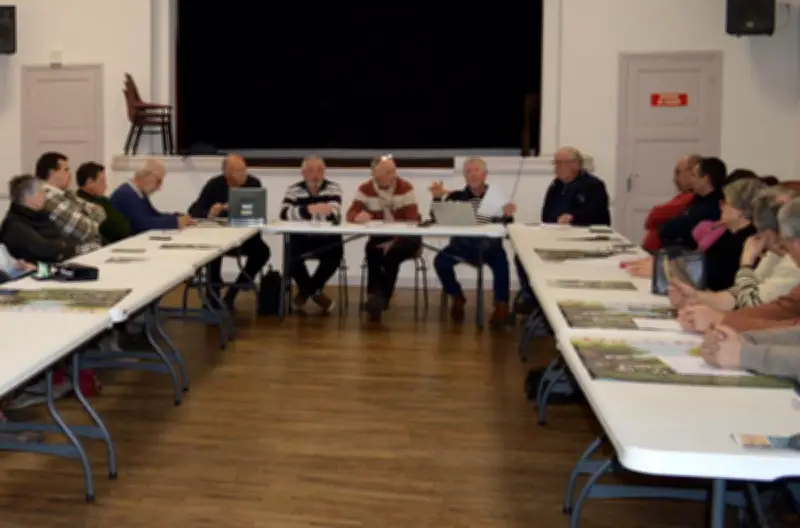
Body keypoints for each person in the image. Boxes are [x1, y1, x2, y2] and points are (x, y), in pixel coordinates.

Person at [679, 196, 800, 333]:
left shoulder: (791, 264)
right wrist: (699, 298)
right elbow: (768, 306)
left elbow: (752, 303)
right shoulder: (775, 255)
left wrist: (745, 264)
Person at [515, 146, 610, 313]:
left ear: (576, 165)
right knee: (523, 254)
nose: (557, 167)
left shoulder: (593, 185)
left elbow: (597, 213)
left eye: (561, 163)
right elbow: (546, 213)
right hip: (555, 234)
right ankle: (532, 296)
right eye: (556, 163)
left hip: (584, 237)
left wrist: (573, 217)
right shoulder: (556, 185)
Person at [430, 157, 516, 325]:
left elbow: (506, 225)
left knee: (502, 263)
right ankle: (456, 296)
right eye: (468, 172)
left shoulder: (496, 196)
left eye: (476, 170)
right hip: (461, 246)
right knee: (440, 261)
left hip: (489, 247)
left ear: (485, 174)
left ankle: (501, 305)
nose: (472, 175)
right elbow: (437, 218)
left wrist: (508, 215)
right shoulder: (456, 196)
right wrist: (437, 199)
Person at [188, 154, 270, 310]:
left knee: (263, 252)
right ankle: (212, 296)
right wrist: (210, 213)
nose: (243, 174)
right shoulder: (214, 185)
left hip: (245, 239)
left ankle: (235, 291)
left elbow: (258, 212)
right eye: (238, 171)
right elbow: (194, 210)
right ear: (227, 173)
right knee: (213, 252)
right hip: (219, 238)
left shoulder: (253, 183)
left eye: (244, 169)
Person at [346, 155, 421, 321]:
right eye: (387, 172)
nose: (392, 175)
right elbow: (350, 214)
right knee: (371, 250)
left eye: (393, 171)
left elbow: (413, 220)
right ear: (375, 174)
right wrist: (358, 216)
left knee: (391, 255)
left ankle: (382, 298)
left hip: (406, 238)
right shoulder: (365, 189)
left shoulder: (405, 187)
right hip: (381, 236)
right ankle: (375, 296)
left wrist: (393, 241)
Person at [279, 156, 343, 314]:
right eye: (311, 170)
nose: (316, 174)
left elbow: (333, 214)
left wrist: (301, 212)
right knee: (290, 255)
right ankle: (315, 293)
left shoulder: (334, 188)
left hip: (326, 238)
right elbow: (284, 214)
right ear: (303, 172)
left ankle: (306, 292)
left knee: (336, 253)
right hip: (302, 238)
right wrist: (310, 210)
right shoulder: (293, 190)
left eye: (320, 170)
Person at [694, 178, 763, 291]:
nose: (721, 207)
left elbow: (720, 279)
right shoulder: (729, 234)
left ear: (740, 209)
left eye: (725, 203)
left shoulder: (747, 240)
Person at [35, 151, 105, 254]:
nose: (70, 175)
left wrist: (83, 217)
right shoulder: (48, 198)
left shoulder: (66, 194)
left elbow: (100, 212)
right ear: (51, 172)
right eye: (66, 170)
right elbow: (86, 230)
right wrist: (85, 214)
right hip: (71, 257)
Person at [0, 174, 76, 263]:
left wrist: (62, 247)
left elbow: (68, 243)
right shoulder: (14, 225)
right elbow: (44, 249)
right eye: (41, 192)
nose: (45, 196)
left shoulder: (40, 215)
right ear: (28, 197)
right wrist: (62, 247)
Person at [110, 159, 194, 234]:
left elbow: (154, 215)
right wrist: (175, 222)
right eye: (158, 181)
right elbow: (144, 224)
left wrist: (176, 217)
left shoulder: (138, 192)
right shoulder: (126, 194)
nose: (159, 187)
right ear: (147, 176)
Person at [658, 156, 726, 248]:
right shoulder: (698, 199)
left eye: (694, 176)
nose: (691, 180)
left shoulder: (713, 207)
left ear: (705, 178)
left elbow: (678, 229)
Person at [641, 155, 700, 253]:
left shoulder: (691, 197)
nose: (675, 178)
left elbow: (654, 216)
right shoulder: (685, 196)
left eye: (678, 172)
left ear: (693, 171)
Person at [76, 162, 132, 244]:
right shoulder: (80, 203)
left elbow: (121, 222)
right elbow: (112, 227)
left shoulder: (103, 200)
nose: (105, 185)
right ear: (90, 182)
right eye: (102, 181)